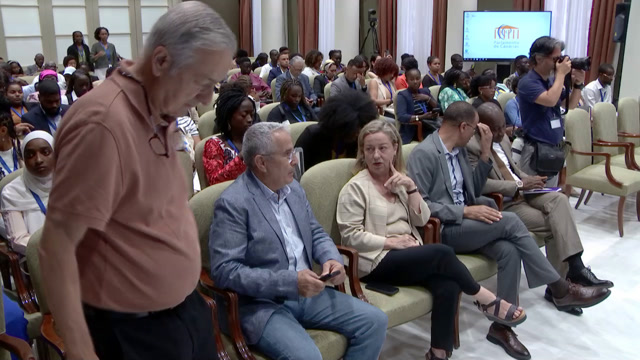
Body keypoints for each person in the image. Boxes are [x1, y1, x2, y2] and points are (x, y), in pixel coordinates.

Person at [38, 3, 235, 360]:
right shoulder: (103, 124)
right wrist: (81, 351)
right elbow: (57, 247)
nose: (207, 99)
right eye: (202, 83)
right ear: (161, 61)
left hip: (185, 310)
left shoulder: (161, 105)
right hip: (132, 332)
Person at [406, 101, 611, 360]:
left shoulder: (457, 151)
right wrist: (465, 212)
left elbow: (473, 191)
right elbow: (420, 207)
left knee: (509, 250)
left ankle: (502, 326)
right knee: (513, 222)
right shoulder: (423, 154)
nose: (475, 136)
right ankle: (561, 288)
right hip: (445, 230)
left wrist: (483, 155)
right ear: (463, 126)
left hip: (468, 225)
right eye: (473, 131)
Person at [338, 120, 527, 360]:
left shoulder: (400, 181)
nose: (376, 155)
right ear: (362, 152)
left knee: (448, 284)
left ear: (395, 148)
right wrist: (392, 242)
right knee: (442, 252)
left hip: (408, 255)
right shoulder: (355, 188)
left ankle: (438, 353)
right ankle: (486, 299)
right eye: (369, 149)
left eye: (383, 148)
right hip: (375, 261)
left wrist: (412, 189)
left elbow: (422, 219)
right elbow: (350, 235)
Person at [210, 122, 388, 360]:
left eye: (293, 152)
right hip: (261, 304)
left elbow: (314, 231)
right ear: (261, 163)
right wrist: (290, 282)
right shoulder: (233, 203)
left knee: (375, 321)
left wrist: (331, 259)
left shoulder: (293, 188)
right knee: (308, 357)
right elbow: (225, 271)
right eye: (287, 154)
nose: (295, 160)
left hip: (308, 292)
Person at [467, 102, 613, 314]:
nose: (501, 132)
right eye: (495, 129)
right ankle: (560, 286)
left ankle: (575, 266)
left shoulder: (504, 139)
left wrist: (529, 180)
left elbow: (514, 169)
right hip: (506, 203)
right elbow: (479, 185)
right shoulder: (472, 146)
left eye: (503, 126)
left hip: (524, 192)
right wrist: (518, 184)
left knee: (560, 200)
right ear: (482, 127)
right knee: (555, 225)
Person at [517, 36, 584, 187]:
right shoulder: (528, 82)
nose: (559, 63)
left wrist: (578, 85)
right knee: (533, 196)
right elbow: (550, 100)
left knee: (550, 193)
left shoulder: (552, 81)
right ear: (539, 59)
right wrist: (561, 75)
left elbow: (570, 105)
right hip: (536, 150)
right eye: (555, 59)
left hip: (553, 148)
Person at [295, 91, 377, 170]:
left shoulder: (360, 140)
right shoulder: (311, 135)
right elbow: (295, 171)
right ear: (340, 125)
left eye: (361, 127)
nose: (358, 133)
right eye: (355, 129)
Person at [1, 131, 53, 255]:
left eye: (45, 152)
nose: (39, 160)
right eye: (30, 155)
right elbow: (18, 240)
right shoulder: (12, 193)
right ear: (23, 159)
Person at [203, 84, 256, 186]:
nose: (250, 119)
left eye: (252, 115)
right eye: (244, 115)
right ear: (228, 117)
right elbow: (214, 181)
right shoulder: (214, 145)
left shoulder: (257, 140)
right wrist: (241, 157)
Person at [396, 68, 439, 144]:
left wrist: (428, 98)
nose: (415, 82)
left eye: (417, 79)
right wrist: (421, 117)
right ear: (407, 81)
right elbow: (401, 116)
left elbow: (439, 108)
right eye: (412, 79)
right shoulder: (403, 95)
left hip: (430, 124)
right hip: (415, 129)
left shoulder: (425, 91)